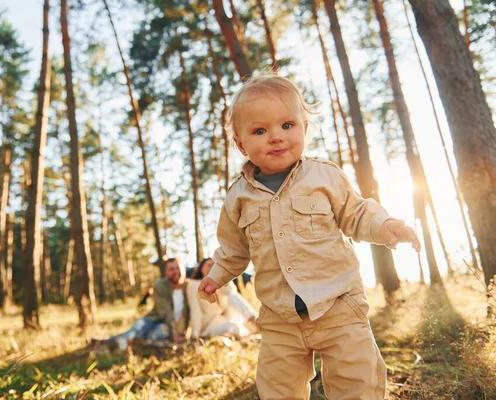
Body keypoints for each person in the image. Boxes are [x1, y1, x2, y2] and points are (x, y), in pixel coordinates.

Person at [198, 73, 421, 399]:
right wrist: (216, 278)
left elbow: (356, 214)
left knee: (358, 383)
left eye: (287, 125)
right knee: (277, 389)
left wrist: (387, 227)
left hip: (339, 307)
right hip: (279, 318)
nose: (276, 137)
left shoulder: (324, 176)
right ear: (240, 143)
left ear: (305, 127)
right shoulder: (237, 197)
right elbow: (233, 249)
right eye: (260, 130)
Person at [91, 258, 190, 351]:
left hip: (167, 327)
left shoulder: (189, 287)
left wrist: (178, 333)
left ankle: (130, 344)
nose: (176, 272)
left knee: (156, 333)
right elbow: (165, 312)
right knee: (136, 329)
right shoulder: (160, 286)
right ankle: (104, 343)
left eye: (178, 268)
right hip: (154, 319)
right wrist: (174, 333)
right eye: (171, 269)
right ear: (166, 272)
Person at [186, 257, 257, 339]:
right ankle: (247, 329)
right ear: (201, 268)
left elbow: (233, 294)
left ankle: (252, 317)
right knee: (232, 328)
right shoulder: (194, 285)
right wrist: (195, 335)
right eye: (208, 265)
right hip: (209, 325)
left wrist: (222, 279)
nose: (212, 268)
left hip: (225, 319)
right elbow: (195, 310)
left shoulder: (220, 282)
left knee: (232, 296)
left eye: (214, 266)